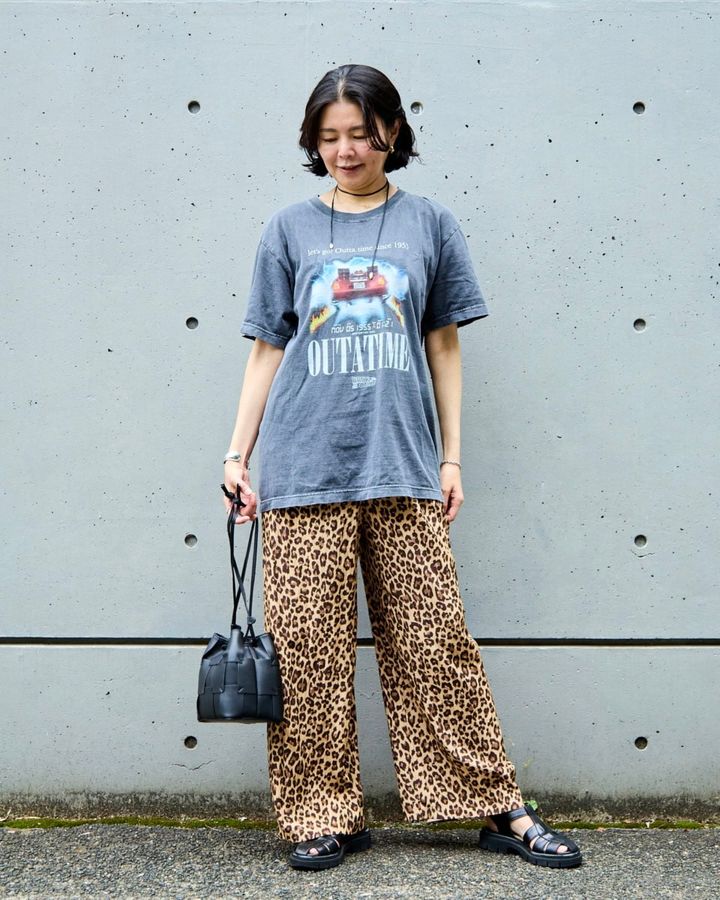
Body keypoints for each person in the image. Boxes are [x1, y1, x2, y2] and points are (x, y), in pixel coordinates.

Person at [222, 64, 581, 872]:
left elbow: (443, 344)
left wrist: (451, 456)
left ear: (392, 130)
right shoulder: (288, 229)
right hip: (303, 467)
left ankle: (498, 806)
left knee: (435, 643)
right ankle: (323, 815)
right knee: (307, 652)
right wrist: (236, 456)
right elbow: (267, 348)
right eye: (329, 137)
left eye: (361, 132)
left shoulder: (430, 223)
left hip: (405, 464)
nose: (346, 150)